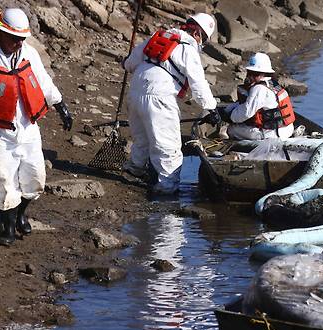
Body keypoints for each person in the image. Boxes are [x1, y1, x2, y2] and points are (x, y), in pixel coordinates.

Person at [0, 8, 73, 247]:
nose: (18, 43)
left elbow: (43, 81)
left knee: (35, 178)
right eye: (14, 38)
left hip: (28, 128)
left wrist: (60, 104)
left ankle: (20, 214)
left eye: (22, 38)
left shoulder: (28, 53)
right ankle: (7, 224)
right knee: (4, 180)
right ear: (0, 33)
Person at [123, 13, 220, 195]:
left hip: (135, 91)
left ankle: (135, 168)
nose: (201, 44)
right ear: (198, 33)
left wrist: (126, 63)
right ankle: (167, 190)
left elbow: (130, 63)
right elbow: (198, 83)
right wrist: (211, 108)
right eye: (204, 40)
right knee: (168, 148)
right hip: (160, 96)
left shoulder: (159, 37)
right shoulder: (188, 48)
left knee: (142, 137)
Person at [221, 52, 296, 140]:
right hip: (288, 129)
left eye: (255, 74)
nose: (250, 76)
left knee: (232, 129)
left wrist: (228, 116)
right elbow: (245, 104)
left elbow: (245, 113)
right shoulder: (273, 84)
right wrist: (228, 109)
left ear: (263, 73)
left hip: (272, 135)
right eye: (249, 72)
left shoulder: (259, 89)